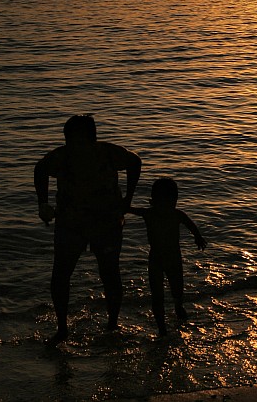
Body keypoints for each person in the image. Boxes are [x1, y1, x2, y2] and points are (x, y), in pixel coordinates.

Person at [34, 114, 141, 346]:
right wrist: (42, 202)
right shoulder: (63, 156)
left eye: (80, 139)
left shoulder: (107, 152)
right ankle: (62, 328)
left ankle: (112, 324)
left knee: (110, 273)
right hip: (71, 223)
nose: (75, 144)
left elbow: (135, 162)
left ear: (92, 138)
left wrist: (128, 200)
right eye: (71, 139)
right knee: (61, 275)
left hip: (107, 223)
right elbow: (40, 169)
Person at [129, 177, 207, 336]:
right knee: (157, 296)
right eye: (163, 201)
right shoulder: (149, 213)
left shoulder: (177, 214)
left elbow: (191, 225)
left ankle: (178, 306)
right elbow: (129, 209)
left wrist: (198, 237)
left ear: (175, 201)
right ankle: (162, 328)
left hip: (174, 259)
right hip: (156, 260)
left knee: (177, 289)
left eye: (171, 201)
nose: (167, 206)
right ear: (154, 200)